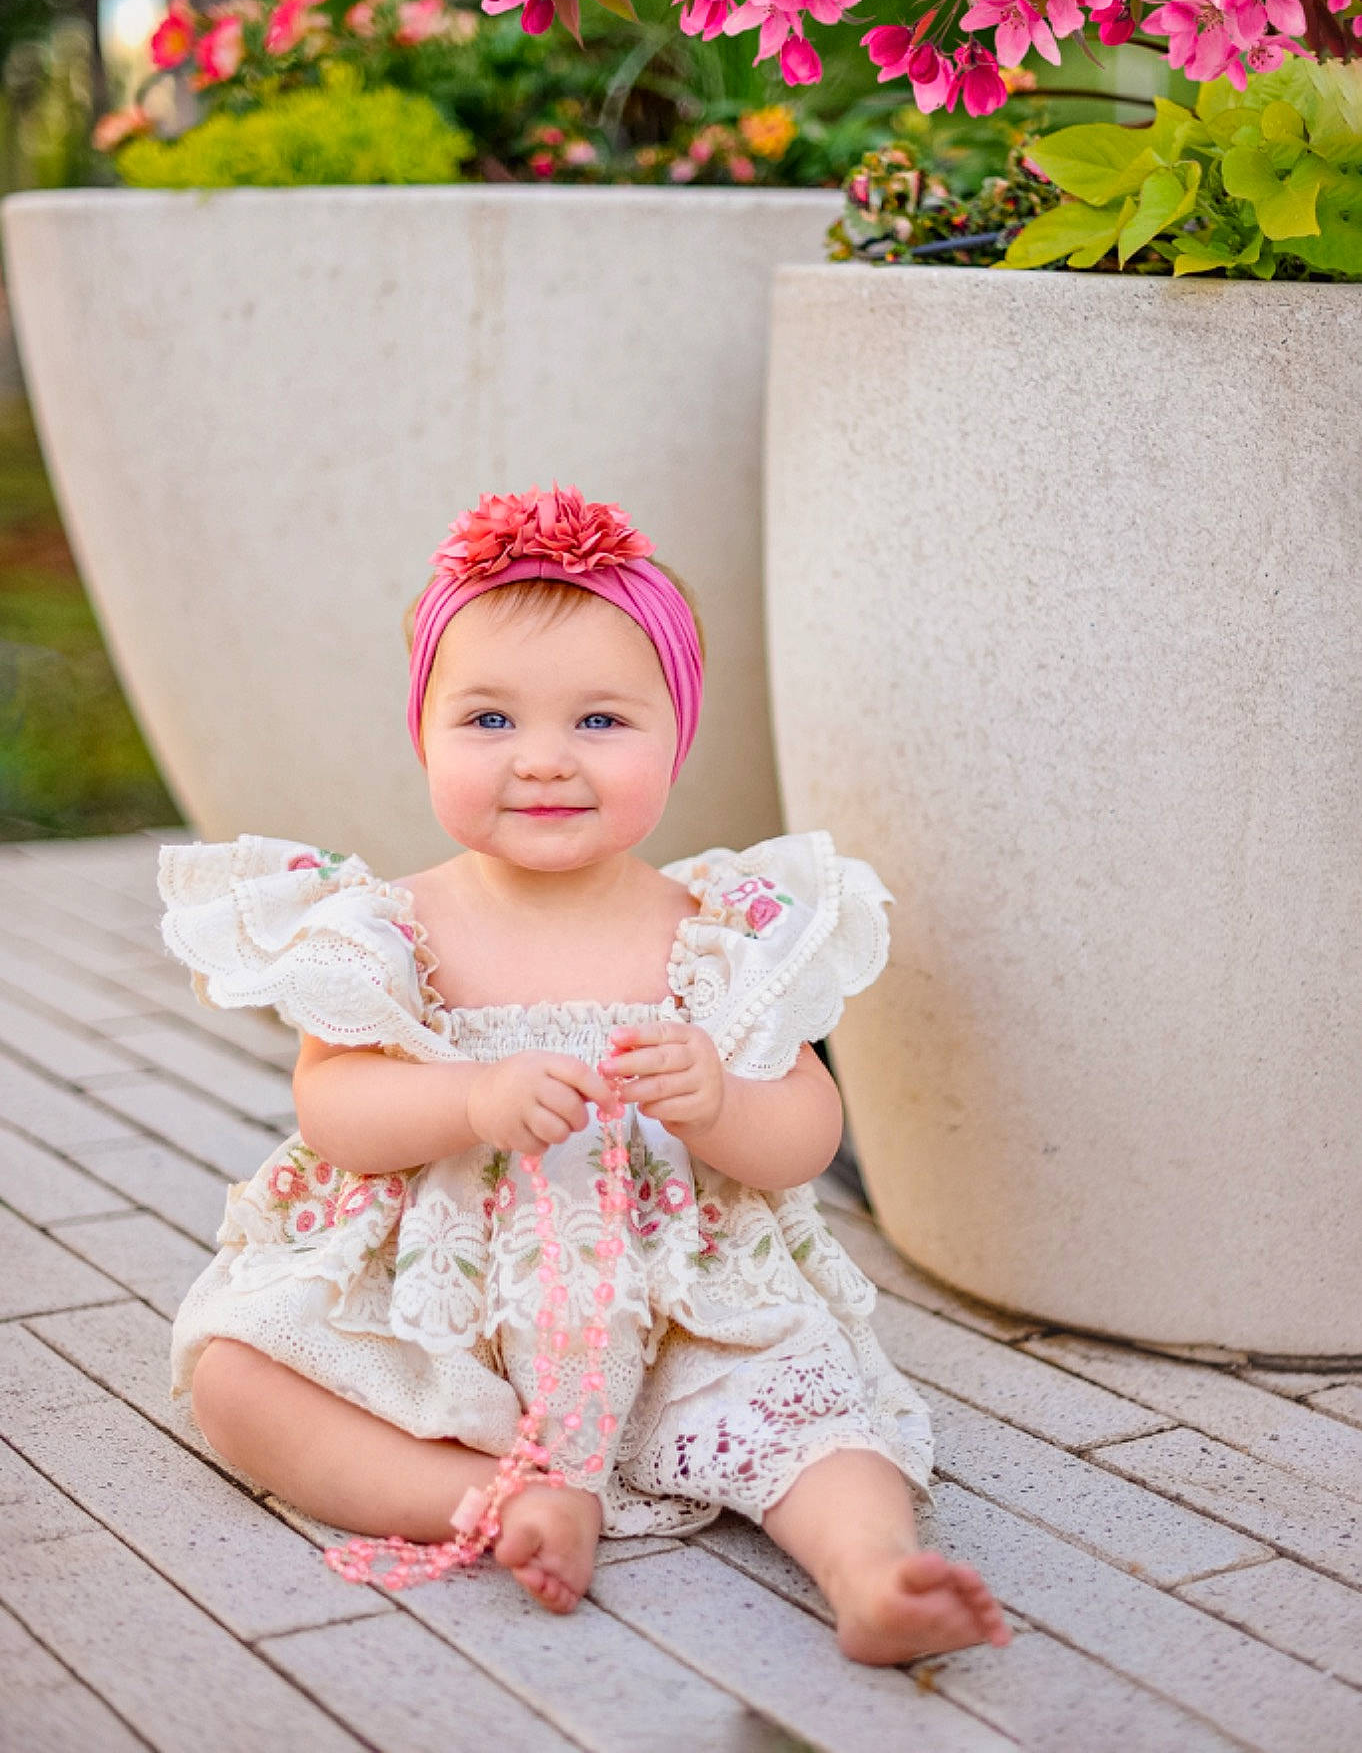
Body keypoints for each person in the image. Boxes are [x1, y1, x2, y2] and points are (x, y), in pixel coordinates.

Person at [159, 483, 1010, 1667]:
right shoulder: (386, 928)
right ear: (424, 732)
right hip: (440, 1305)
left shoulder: (718, 930)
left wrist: (719, 1097)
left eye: (602, 721)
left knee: (816, 1413)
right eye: (490, 720)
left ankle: (870, 1570)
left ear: (677, 734)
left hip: (680, 1303)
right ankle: (493, 1496)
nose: (545, 760)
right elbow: (333, 1108)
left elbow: (807, 1133)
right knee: (240, 1376)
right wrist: (467, 1098)